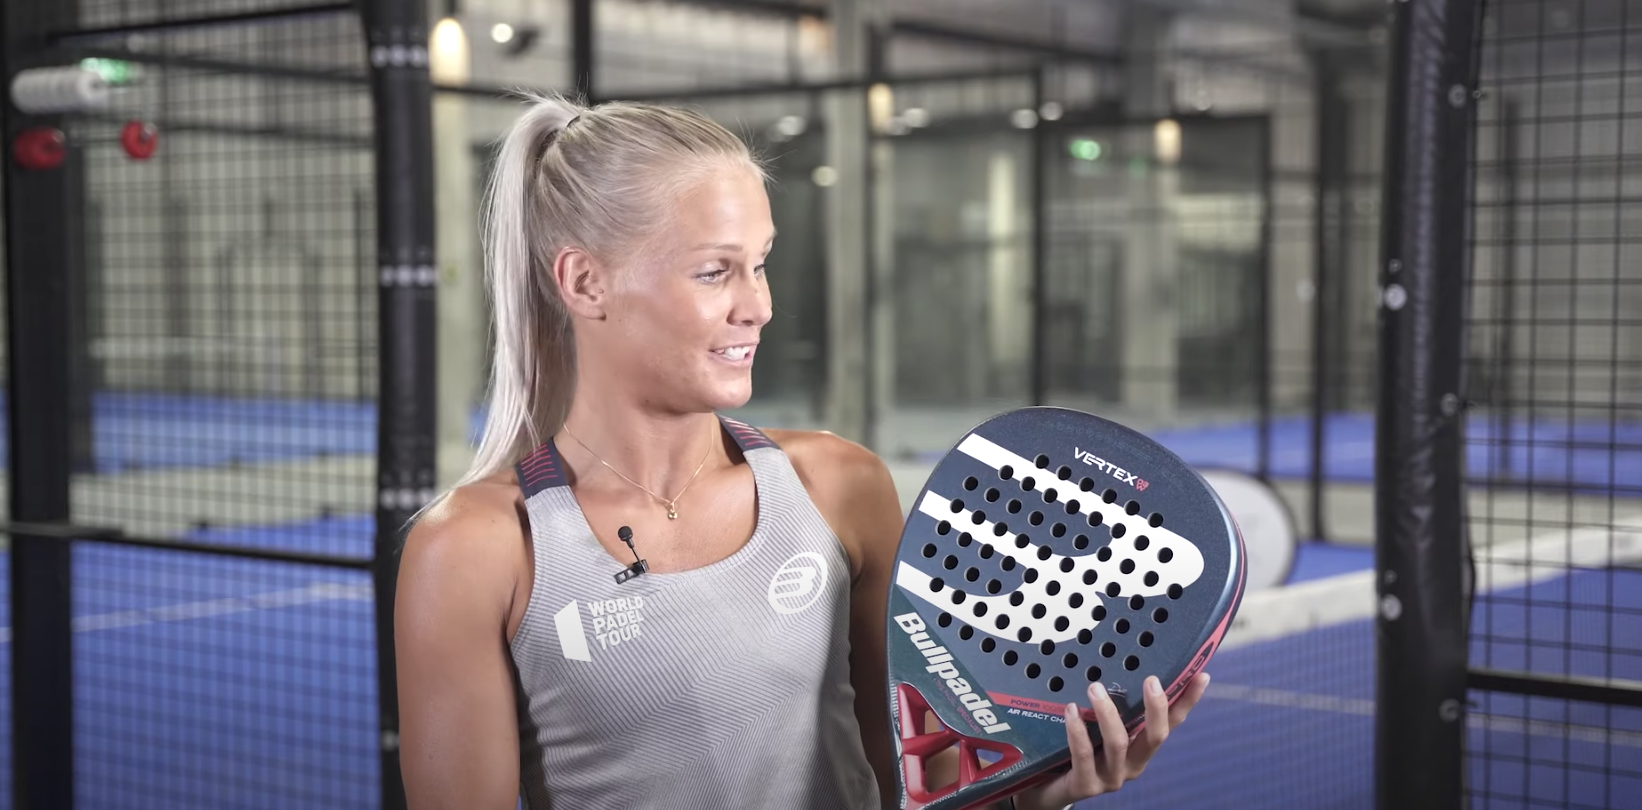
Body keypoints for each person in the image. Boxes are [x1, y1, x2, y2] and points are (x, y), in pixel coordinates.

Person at [393, 92, 1211, 810]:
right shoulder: (471, 550)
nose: (758, 305)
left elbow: (926, 782)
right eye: (714, 272)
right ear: (584, 283)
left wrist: (1035, 799)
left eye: (760, 264)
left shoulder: (840, 488)